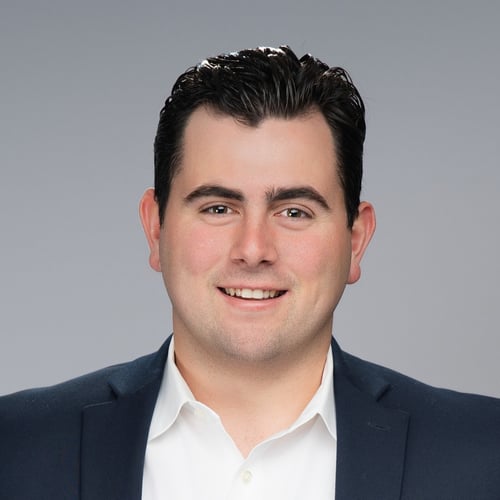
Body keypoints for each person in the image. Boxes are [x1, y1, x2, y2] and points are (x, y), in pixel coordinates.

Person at [1, 45, 499, 500]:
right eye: (218, 208)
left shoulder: (484, 454)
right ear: (155, 228)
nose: (254, 249)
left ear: (355, 240)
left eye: (294, 212)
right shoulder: (15, 446)